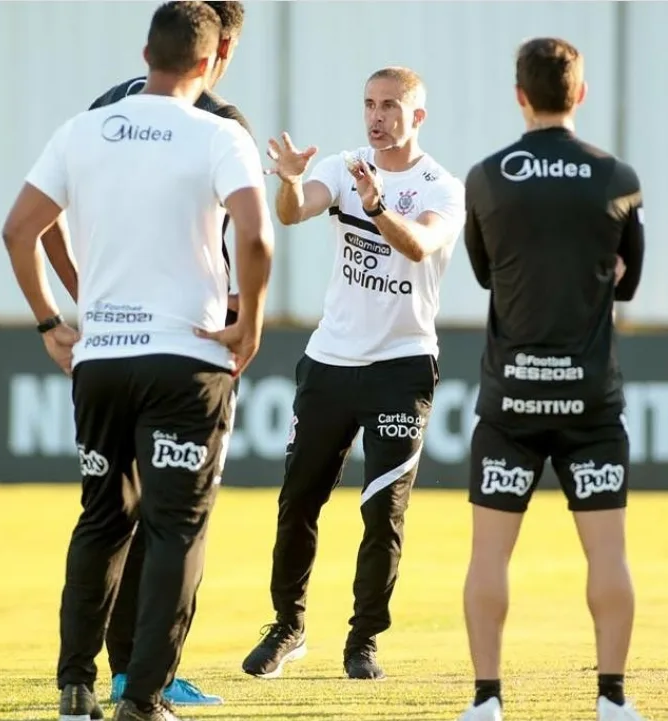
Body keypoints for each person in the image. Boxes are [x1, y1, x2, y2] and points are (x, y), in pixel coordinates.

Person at [1, 3, 272, 720]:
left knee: (101, 518)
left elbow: (19, 228)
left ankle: (74, 684)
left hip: (102, 358)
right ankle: (144, 697)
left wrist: (49, 320)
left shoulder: (80, 130)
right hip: (187, 358)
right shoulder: (221, 132)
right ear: (212, 63)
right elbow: (257, 237)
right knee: (175, 524)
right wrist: (250, 323)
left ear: (145, 51)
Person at [241, 66, 465, 681]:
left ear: (417, 116)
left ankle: (363, 640)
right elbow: (294, 212)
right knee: (299, 501)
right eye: (369, 104)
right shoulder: (342, 167)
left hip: (402, 366)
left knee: (382, 511)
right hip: (330, 361)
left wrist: (377, 208)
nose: (377, 116)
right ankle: (288, 628)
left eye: (391, 105)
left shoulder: (441, 186)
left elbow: (420, 245)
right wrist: (288, 182)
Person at [454, 38, 647, 721]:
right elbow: (629, 282)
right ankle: (613, 698)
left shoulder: (484, 177)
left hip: (510, 399)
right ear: (581, 94)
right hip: (591, 402)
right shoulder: (618, 177)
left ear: (520, 95)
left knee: (489, 554)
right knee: (608, 552)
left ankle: (486, 700)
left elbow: (484, 273)